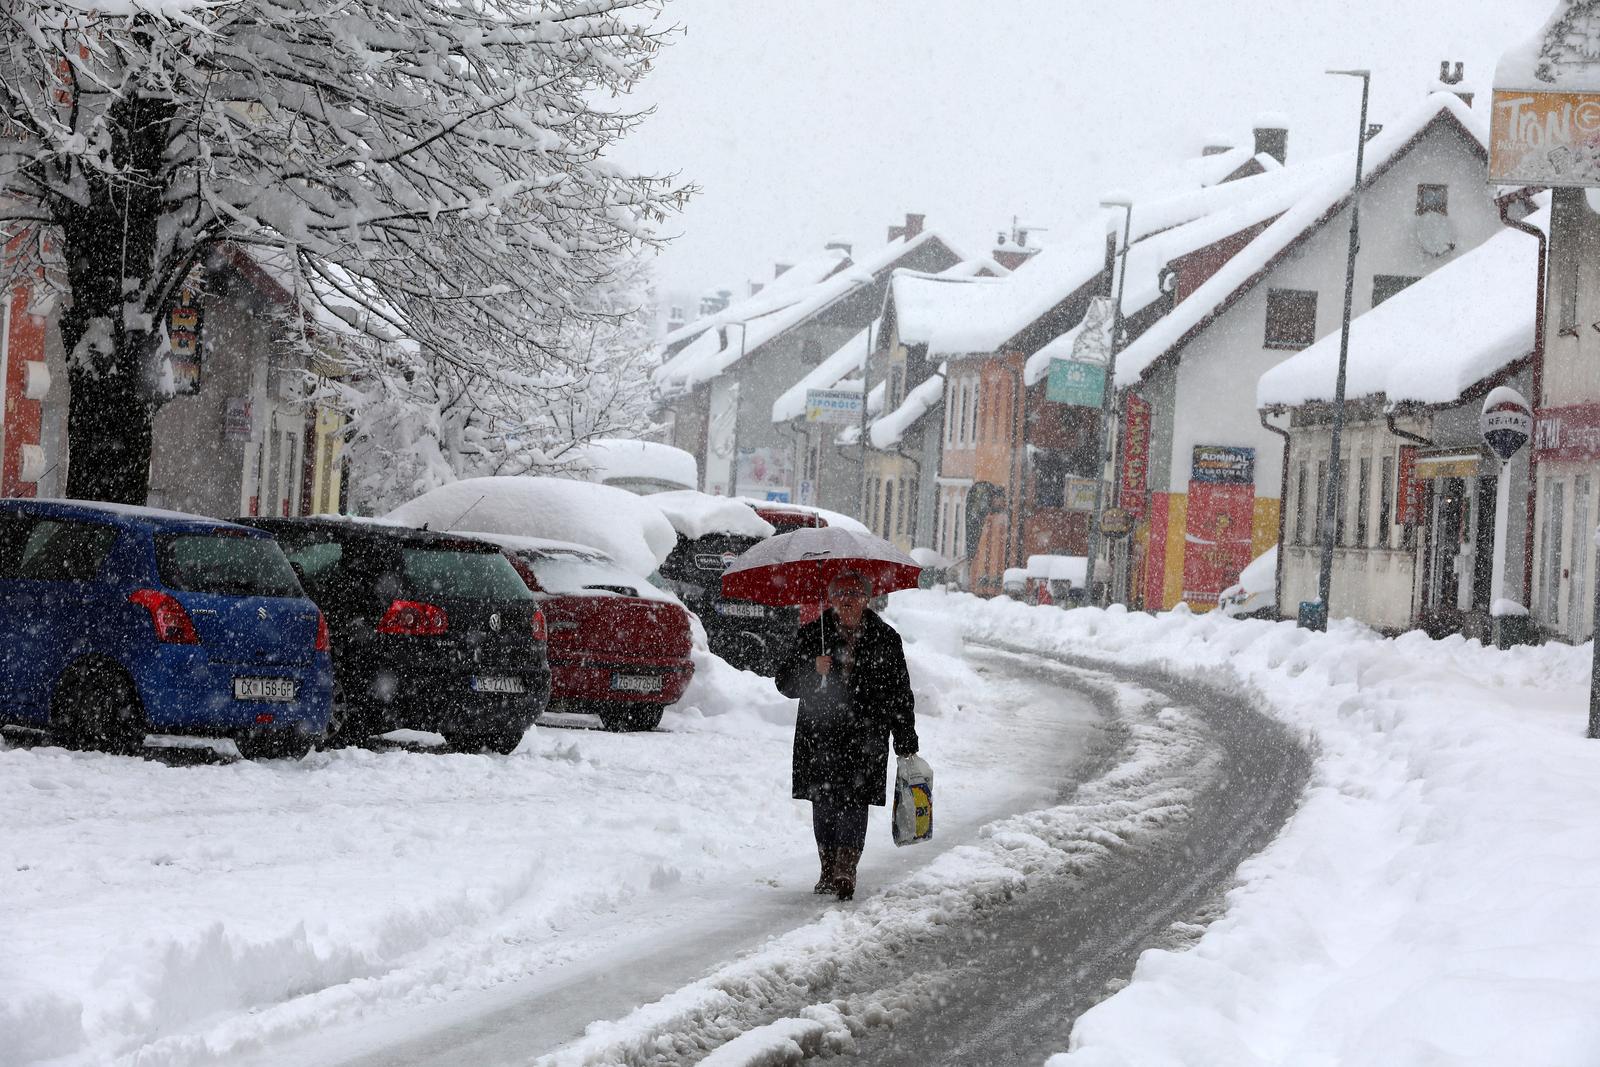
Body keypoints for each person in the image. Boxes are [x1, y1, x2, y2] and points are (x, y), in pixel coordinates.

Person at [775, 570, 918, 901]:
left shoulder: (886, 638)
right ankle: (827, 868)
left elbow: (899, 693)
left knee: (855, 801)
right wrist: (812, 670)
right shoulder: (813, 635)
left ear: (867, 599)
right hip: (820, 734)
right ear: (831, 599)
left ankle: (846, 868)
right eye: (841, 594)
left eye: (854, 593)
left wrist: (905, 738)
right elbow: (784, 683)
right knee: (824, 803)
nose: (847, 600)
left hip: (865, 735)